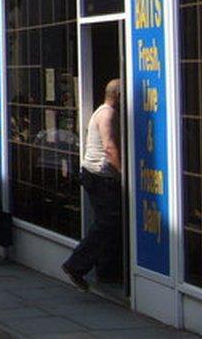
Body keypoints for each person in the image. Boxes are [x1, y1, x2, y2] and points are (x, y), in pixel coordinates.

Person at [63, 79, 123, 291]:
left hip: (94, 174)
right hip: (100, 176)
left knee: (110, 224)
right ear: (117, 95)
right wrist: (123, 172)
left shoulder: (100, 112)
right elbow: (109, 147)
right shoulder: (108, 114)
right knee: (108, 223)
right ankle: (76, 265)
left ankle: (107, 273)